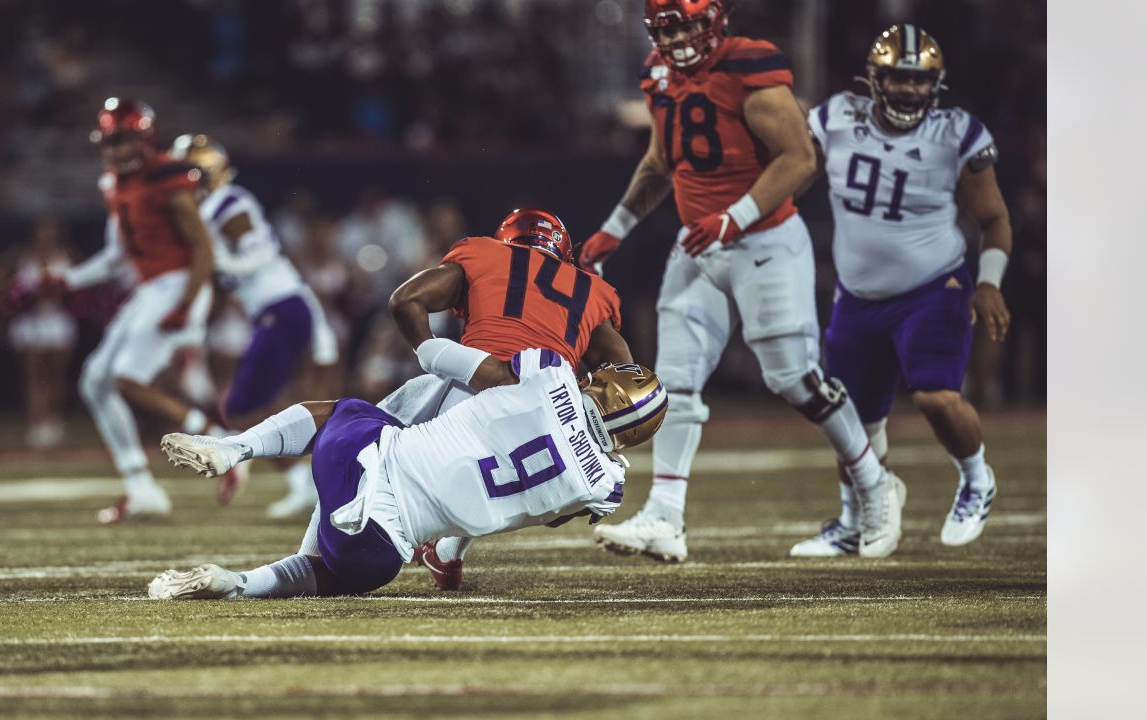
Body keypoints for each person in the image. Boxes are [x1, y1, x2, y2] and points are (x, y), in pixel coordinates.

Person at [578, 0, 902, 561]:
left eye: (685, 24)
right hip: (700, 243)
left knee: (794, 378)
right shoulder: (659, 74)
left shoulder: (748, 66)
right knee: (673, 381)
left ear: (714, 20)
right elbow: (661, 162)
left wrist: (735, 217)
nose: (676, 38)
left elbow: (800, 159)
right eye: (666, 27)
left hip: (765, 240)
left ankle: (876, 488)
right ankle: (666, 517)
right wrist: (616, 227)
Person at [147, 350, 667, 600]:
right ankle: (241, 583)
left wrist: (427, 347)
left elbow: (456, 362)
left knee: (348, 409)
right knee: (329, 570)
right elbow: (552, 515)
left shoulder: (551, 371)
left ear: (607, 390)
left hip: (361, 460)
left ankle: (235, 448)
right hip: (379, 552)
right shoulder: (607, 489)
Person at [790, 25, 1011, 555]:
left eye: (920, 80)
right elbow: (791, 178)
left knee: (935, 396)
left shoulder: (956, 134)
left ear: (935, 84)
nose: (910, 90)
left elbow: (994, 217)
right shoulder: (835, 119)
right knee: (851, 423)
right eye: (898, 77)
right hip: (858, 296)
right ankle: (853, 519)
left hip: (933, 287)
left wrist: (989, 283)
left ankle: (977, 479)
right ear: (875, 77)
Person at [383, 208, 631, 589]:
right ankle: (448, 548)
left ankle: (396, 536)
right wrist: (588, 423)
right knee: (573, 487)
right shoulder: (594, 290)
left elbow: (405, 300)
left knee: (379, 458)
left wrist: (431, 353)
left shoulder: (483, 253)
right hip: (542, 417)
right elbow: (626, 376)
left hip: (470, 392)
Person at [42, 98, 240, 523]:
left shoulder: (167, 175)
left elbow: (202, 248)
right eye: (110, 140)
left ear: (142, 139)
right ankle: (140, 486)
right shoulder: (113, 183)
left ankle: (219, 440)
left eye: (122, 139)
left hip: (178, 284)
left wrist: (188, 304)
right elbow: (117, 255)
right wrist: (69, 279)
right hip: (151, 289)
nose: (114, 149)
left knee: (126, 381)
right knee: (95, 382)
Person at [170, 134, 340, 518]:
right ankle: (310, 479)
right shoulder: (208, 210)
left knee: (244, 407)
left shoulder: (228, 202)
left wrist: (218, 264)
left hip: (280, 307)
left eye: (188, 173)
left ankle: (314, 477)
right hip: (275, 310)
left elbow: (259, 253)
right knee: (251, 406)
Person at [6, 218, 77, 449]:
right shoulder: (20, 255)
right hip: (32, 322)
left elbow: (80, 288)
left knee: (56, 375)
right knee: (34, 375)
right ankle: (36, 423)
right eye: (41, 232)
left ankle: (53, 421)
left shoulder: (68, 254)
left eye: (50, 232)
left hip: (57, 320)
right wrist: (22, 297)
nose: (45, 236)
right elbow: (5, 288)